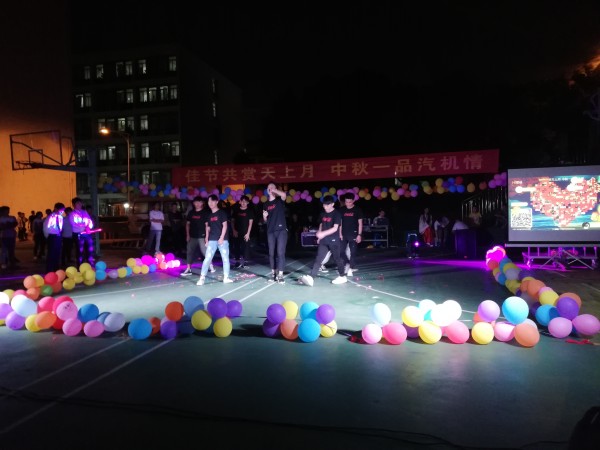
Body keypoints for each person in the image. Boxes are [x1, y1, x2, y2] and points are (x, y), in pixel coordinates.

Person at [299, 195, 347, 286]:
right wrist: (319, 236)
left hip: (333, 239)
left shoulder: (337, 214)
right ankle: (311, 277)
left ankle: (342, 276)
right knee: (318, 258)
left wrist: (323, 234)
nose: (325, 207)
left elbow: (335, 228)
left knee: (337, 258)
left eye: (327, 205)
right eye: (324, 205)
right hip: (324, 240)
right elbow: (321, 224)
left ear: (332, 204)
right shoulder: (322, 213)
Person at [196, 194, 233, 286]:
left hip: (223, 240)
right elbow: (208, 228)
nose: (210, 203)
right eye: (209, 201)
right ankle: (202, 278)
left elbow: (225, 226)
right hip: (212, 239)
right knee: (207, 258)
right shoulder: (209, 215)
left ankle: (226, 277)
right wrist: (206, 239)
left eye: (212, 201)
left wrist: (221, 237)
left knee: (225, 259)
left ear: (217, 202)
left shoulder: (222, 213)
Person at [180, 196, 215, 277]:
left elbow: (207, 226)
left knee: (205, 252)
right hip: (192, 236)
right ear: (193, 203)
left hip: (202, 236)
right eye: (196, 202)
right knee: (189, 251)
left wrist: (206, 237)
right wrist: (188, 235)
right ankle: (188, 268)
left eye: (199, 202)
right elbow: (187, 224)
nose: (198, 204)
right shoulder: (191, 213)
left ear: (202, 203)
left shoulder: (205, 213)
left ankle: (210, 265)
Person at [262, 182, 288, 284]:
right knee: (271, 253)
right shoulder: (265, 204)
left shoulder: (279, 201)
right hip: (270, 231)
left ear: (275, 189)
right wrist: (264, 217)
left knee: (280, 252)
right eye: (269, 188)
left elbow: (284, 195)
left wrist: (275, 190)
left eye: (272, 187)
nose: (270, 189)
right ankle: (273, 274)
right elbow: (265, 220)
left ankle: (280, 275)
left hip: (281, 230)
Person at [338, 192, 363, 276]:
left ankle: (351, 268)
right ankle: (347, 263)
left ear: (353, 201)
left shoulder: (357, 210)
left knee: (353, 252)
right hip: (343, 234)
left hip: (354, 234)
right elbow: (340, 223)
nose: (348, 204)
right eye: (346, 202)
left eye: (350, 202)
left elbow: (360, 223)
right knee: (341, 251)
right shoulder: (342, 210)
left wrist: (359, 235)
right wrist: (340, 234)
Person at [70, 197, 95, 266]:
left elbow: (90, 221)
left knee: (90, 250)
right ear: (74, 205)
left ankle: (90, 265)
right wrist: (85, 227)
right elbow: (74, 224)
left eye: (80, 203)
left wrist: (89, 227)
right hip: (79, 234)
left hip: (87, 234)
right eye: (78, 203)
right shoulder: (72, 214)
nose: (80, 204)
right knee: (80, 251)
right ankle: (80, 266)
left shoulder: (84, 212)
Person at [231, 195, 254, 269]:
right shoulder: (236, 211)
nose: (244, 203)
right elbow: (232, 221)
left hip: (245, 233)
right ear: (240, 202)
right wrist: (234, 230)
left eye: (245, 202)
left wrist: (248, 233)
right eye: (242, 201)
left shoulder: (249, 211)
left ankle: (245, 262)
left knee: (246, 248)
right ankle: (237, 262)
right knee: (237, 247)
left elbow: (250, 223)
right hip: (237, 232)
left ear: (248, 203)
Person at [43, 202, 65, 273]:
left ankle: (56, 269)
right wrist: (48, 237)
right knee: (51, 254)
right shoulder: (50, 217)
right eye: (61, 210)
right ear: (56, 209)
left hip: (58, 236)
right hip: (52, 237)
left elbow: (61, 227)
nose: (62, 212)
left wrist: (60, 233)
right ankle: (49, 270)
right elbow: (45, 228)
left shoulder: (61, 217)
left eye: (63, 210)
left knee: (57, 254)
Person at [0, 206, 18, 270]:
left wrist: (7, 225)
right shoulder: (1, 218)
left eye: (8, 210)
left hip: (12, 235)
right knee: (4, 250)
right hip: (4, 236)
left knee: (11, 250)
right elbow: (2, 227)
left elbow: (15, 224)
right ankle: (3, 263)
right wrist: (9, 225)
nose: (7, 211)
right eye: (6, 210)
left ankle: (11, 262)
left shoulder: (12, 217)